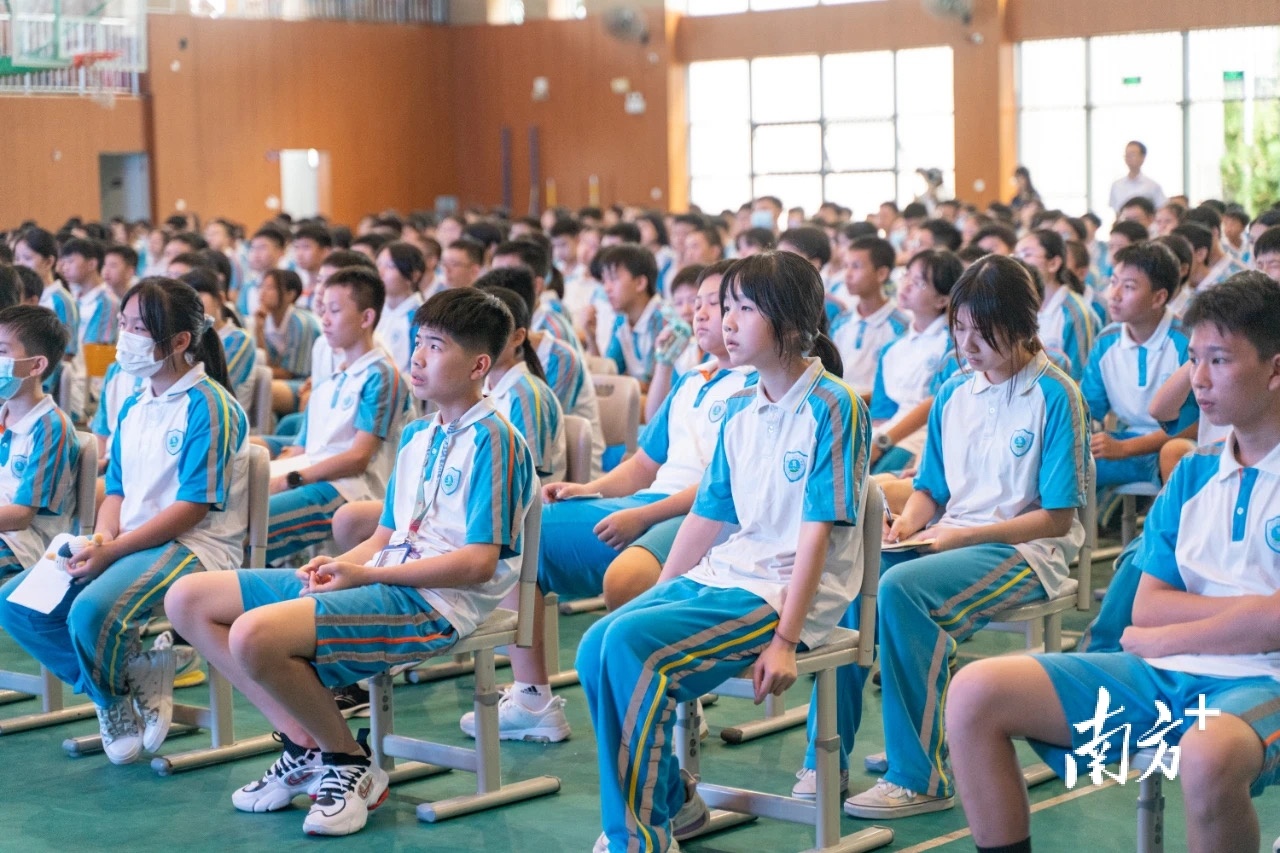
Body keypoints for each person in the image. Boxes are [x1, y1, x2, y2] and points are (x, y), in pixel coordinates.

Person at [164, 287, 537, 838]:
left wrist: (369, 573)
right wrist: (339, 566)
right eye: (417, 342)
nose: (417, 357)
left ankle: (349, 761)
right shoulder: (418, 435)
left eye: (435, 347)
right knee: (188, 599)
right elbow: (387, 535)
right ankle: (305, 744)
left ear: (479, 364)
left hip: (435, 604)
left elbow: (478, 564)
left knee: (253, 636)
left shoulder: (497, 442)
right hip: (384, 581)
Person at [947, 271, 1280, 853]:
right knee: (977, 690)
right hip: (1160, 672)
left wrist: (1175, 634)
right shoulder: (1193, 473)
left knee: (1206, 753)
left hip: (1262, 681)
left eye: (1219, 361)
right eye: (1194, 359)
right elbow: (1150, 607)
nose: (1197, 380)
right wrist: (1234, 620)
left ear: (1275, 369)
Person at [577, 251, 869, 852]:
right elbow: (707, 518)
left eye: (742, 308)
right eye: (725, 307)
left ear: (790, 324)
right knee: (595, 643)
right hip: (729, 574)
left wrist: (787, 639)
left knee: (634, 648)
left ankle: (639, 837)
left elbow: (816, 531)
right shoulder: (738, 407)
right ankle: (673, 805)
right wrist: (658, 596)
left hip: (782, 593)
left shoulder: (834, 406)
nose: (726, 322)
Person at [842, 254, 1089, 820]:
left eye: (984, 331)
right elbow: (930, 488)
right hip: (956, 537)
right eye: (959, 329)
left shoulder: (1056, 395)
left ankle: (920, 777)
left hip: (1026, 552)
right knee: (860, 570)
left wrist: (959, 538)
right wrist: (909, 523)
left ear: (1025, 325)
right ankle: (836, 757)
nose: (968, 345)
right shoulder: (954, 392)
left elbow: (1055, 518)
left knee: (903, 590)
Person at [0, 278, 248, 765]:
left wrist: (115, 549)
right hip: (130, 540)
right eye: (125, 323)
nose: (126, 336)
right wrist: (104, 535)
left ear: (179, 342)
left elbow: (193, 507)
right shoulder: (135, 403)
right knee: (16, 603)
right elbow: (116, 489)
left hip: (194, 546)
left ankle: (112, 698)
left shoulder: (210, 405)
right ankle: (127, 681)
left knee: (89, 612)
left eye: (140, 327)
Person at [265, 267, 410, 564]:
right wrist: (272, 473)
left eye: (334, 310)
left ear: (366, 318)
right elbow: (304, 447)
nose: (325, 320)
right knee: (239, 499)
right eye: (323, 310)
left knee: (252, 526)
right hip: (317, 475)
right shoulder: (336, 374)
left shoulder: (381, 374)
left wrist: (292, 478)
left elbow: (358, 457)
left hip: (350, 489)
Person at [0, 305, 79, 576]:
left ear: (36, 365)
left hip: (25, 546)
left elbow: (22, 515)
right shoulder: (3, 413)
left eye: (2, 351)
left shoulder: (50, 427)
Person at [832, 236, 909, 397]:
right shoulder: (840, 322)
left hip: (876, 410)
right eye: (846, 266)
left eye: (856, 267)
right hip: (840, 404)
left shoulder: (901, 325)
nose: (848, 274)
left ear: (881, 273)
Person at [374, 241, 426, 372]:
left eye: (390, 266)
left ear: (414, 275)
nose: (380, 273)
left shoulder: (421, 317)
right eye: (378, 265)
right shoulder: (374, 310)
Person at [1109, 141, 1166, 214]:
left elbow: (1160, 209)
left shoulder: (1153, 186)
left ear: (1143, 157)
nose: (1128, 158)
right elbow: (1116, 212)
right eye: (1127, 155)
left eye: (1132, 155)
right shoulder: (1116, 185)